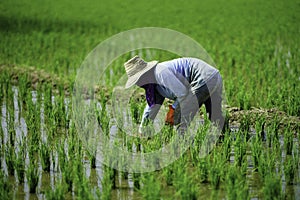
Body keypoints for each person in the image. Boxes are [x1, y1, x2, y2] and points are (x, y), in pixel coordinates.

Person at [124, 55, 224, 137]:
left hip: (204, 78)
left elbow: (182, 93)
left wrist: (173, 110)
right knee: (215, 116)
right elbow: (152, 107)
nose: (137, 84)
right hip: (213, 76)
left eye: (137, 80)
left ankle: (181, 145)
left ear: (144, 75)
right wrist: (143, 129)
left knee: (180, 118)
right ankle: (224, 138)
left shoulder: (160, 73)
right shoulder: (153, 85)